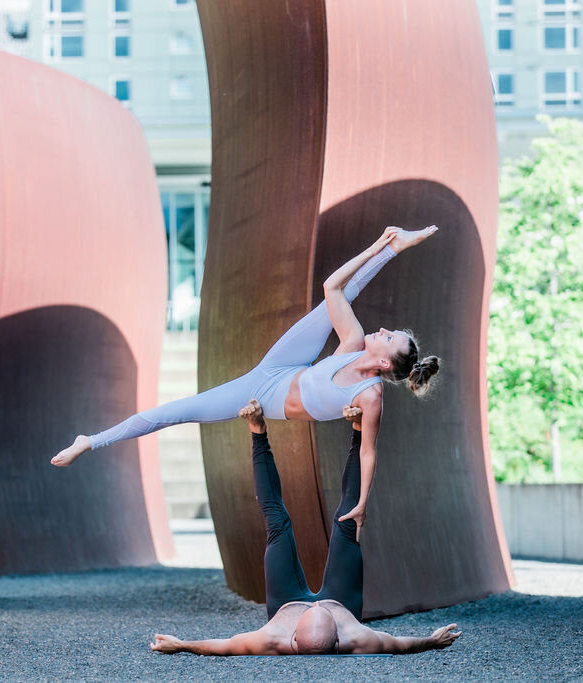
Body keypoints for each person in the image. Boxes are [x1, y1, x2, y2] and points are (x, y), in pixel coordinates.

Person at [53, 226, 442, 534]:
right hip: (287, 365)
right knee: (336, 299)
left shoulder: (370, 395)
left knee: (179, 411)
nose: (383, 329)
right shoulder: (356, 345)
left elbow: (368, 452)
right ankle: (90, 440)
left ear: (385, 364)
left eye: (389, 338)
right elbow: (334, 287)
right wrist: (382, 245)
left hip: (263, 393)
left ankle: (89, 442)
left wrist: (362, 503)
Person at [149, 401, 461, 656]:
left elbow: (227, 645)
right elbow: (400, 643)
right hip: (342, 601)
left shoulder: (273, 638)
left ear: (293, 641)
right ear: (339, 640)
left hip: (286, 601)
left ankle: (257, 429)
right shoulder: (359, 638)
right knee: (347, 522)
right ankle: (357, 429)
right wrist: (430, 641)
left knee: (276, 522)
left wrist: (183, 645)